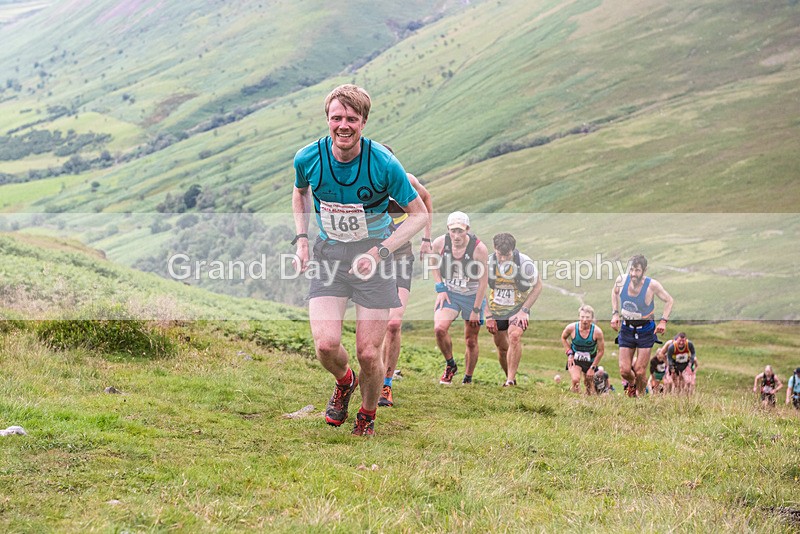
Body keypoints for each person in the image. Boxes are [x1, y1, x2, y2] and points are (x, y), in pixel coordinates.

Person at [292, 84, 427, 436]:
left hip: (374, 257)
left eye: (351, 118)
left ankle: (367, 415)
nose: (343, 125)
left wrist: (379, 251)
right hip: (330, 253)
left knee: (369, 352)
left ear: (363, 122)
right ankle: (344, 381)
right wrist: (303, 240)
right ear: (327, 119)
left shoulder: (384, 163)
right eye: (337, 118)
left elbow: (419, 214)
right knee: (325, 344)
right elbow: (300, 191)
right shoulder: (308, 157)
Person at [377, 145, 434, 408]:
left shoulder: (406, 181)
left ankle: (386, 385)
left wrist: (426, 238)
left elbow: (426, 199)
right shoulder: (366, 181)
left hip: (401, 258)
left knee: (393, 323)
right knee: (376, 321)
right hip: (373, 258)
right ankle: (372, 374)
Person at [430, 211, 489, 384]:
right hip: (451, 293)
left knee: (471, 340)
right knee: (440, 329)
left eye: (460, 231)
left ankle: (468, 379)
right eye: (453, 230)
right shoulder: (440, 243)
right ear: (448, 229)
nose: (456, 235)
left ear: (467, 230)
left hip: (472, 296)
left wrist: (477, 310)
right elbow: (433, 263)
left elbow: (483, 282)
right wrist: (440, 288)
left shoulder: (479, 249)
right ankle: (450, 365)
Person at [610, 254, 674, 397]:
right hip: (627, 328)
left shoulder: (652, 285)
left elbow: (669, 300)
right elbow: (614, 293)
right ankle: (633, 385)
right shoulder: (621, 280)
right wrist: (615, 313)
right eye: (632, 269)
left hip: (645, 329)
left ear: (644, 270)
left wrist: (663, 321)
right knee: (624, 371)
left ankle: (641, 396)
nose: (633, 274)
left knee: (640, 370)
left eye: (637, 270)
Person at [485, 233, 543, 386]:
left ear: (513, 250)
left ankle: (510, 380)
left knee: (514, 336)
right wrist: (487, 315)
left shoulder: (525, 263)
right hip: (496, 309)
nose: (503, 259)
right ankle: (510, 378)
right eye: (500, 254)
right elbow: (479, 288)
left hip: (518, 308)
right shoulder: (487, 263)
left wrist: (524, 310)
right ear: (494, 249)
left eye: (507, 255)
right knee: (502, 348)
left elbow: (538, 286)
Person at [560, 305, 606, 394]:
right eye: (582, 317)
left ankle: (588, 403)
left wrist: (593, 368)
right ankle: (575, 401)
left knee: (589, 385)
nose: (584, 320)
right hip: (575, 359)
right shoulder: (571, 328)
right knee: (575, 380)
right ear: (579, 317)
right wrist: (569, 353)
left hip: (590, 361)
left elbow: (601, 351)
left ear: (592, 318)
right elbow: (563, 338)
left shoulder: (597, 332)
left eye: (587, 317)